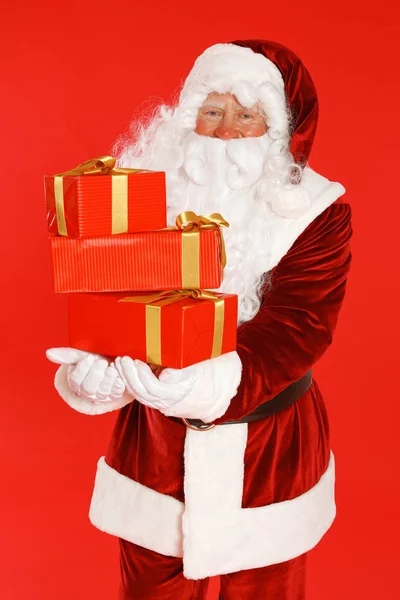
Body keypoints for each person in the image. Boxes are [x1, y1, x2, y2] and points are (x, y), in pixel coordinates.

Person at [47, 40, 352, 599]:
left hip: (269, 444)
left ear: (278, 130)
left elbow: (299, 325)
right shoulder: (144, 189)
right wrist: (99, 364)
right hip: (156, 444)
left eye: (247, 115)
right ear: (189, 117)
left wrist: (204, 380)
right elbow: (113, 296)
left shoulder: (317, 212)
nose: (227, 132)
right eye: (213, 112)